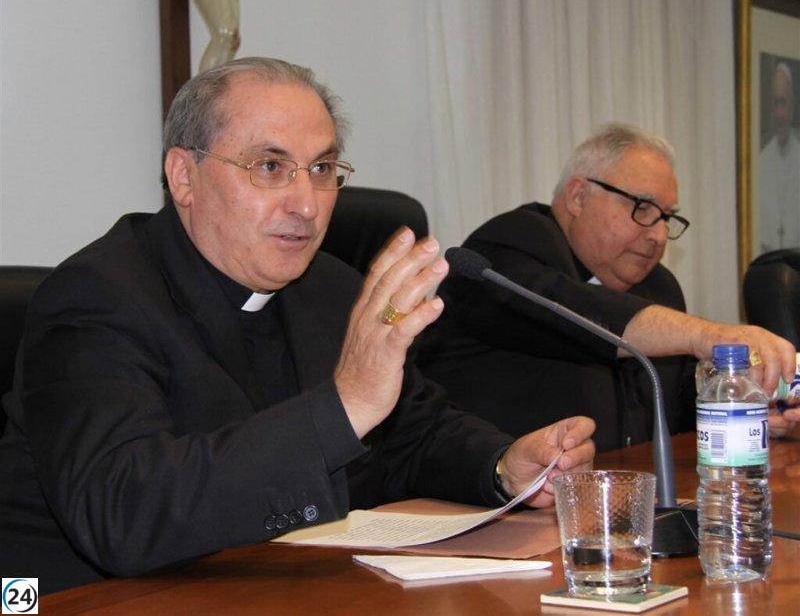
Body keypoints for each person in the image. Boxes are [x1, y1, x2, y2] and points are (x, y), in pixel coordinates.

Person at [0, 58, 595, 595]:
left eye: (322, 168)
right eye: (270, 167)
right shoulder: (96, 298)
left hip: (265, 590)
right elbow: (123, 514)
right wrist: (345, 405)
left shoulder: (329, 289)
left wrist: (502, 466)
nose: (308, 203)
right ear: (184, 176)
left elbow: (410, 432)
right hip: (67, 599)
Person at [418, 123, 798, 451]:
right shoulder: (510, 243)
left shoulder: (658, 287)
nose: (659, 235)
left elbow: (681, 411)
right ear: (579, 197)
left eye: (668, 217)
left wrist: (744, 410)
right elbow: (573, 310)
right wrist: (708, 333)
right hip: (482, 502)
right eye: (643, 208)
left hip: (618, 501)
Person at [758, 62, 800, 253]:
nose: (780, 113)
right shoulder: (762, 162)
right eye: (776, 103)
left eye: (783, 102)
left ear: (792, 105)